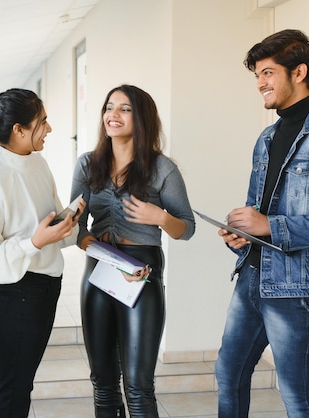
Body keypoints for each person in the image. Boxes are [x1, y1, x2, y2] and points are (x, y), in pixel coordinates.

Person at [215, 29, 309, 417]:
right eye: (257, 76)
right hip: (253, 275)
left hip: (299, 289)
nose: (260, 84)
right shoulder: (267, 137)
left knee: (298, 397)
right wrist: (244, 232)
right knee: (228, 375)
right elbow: (259, 210)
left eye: (267, 73)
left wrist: (271, 226)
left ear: (298, 72)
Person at [0, 88, 85, 417]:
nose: (50, 129)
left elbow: (47, 220)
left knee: (21, 387)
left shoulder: (37, 163)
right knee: (12, 390)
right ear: (19, 130)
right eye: (43, 122)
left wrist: (71, 219)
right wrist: (35, 243)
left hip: (45, 290)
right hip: (17, 297)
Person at [71, 84, 196, 417]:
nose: (113, 115)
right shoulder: (87, 164)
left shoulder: (162, 169)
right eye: (109, 107)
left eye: (124, 109)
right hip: (99, 269)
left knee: (139, 387)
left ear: (141, 119)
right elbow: (75, 227)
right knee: (103, 383)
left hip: (142, 272)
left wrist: (160, 217)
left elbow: (188, 228)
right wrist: (89, 243)